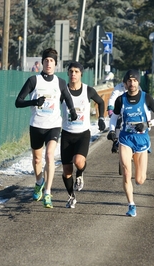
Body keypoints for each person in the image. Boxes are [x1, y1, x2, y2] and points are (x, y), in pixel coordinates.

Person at [15, 48, 78, 208]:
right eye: (46, 60)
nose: (49, 63)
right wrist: (34, 102)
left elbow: (68, 98)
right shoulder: (33, 81)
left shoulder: (60, 82)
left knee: (50, 156)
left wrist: (72, 112)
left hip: (54, 125)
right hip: (36, 125)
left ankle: (48, 193)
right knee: (37, 159)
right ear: (42, 63)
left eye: (52, 61)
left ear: (56, 64)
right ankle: (39, 182)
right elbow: (18, 101)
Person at [107, 69, 154, 217]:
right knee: (127, 173)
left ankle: (136, 159)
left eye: (134, 80)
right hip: (126, 138)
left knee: (140, 180)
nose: (132, 83)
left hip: (141, 139)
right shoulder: (121, 100)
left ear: (138, 82)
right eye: (129, 81)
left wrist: (147, 124)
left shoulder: (146, 98)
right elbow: (114, 118)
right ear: (125, 84)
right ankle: (131, 205)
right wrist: (112, 131)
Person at [61, 61, 106, 208]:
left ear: (81, 74)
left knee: (78, 161)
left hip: (82, 134)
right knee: (67, 171)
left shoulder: (88, 90)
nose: (73, 74)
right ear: (68, 73)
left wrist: (100, 119)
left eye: (76, 71)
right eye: (71, 71)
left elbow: (100, 102)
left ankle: (80, 174)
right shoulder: (62, 91)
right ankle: (71, 197)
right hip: (67, 134)